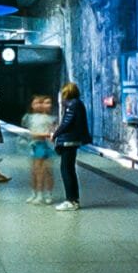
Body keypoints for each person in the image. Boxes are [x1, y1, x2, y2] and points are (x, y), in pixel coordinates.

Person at [51, 81, 90, 211]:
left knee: (66, 170)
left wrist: (55, 134)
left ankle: (71, 200)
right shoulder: (77, 104)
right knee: (69, 170)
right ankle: (73, 199)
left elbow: (66, 123)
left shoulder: (73, 105)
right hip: (72, 140)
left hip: (69, 141)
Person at [22, 94, 57, 204]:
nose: (40, 105)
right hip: (34, 145)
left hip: (45, 146)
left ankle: (46, 194)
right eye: (37, 103)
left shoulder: (51, 119)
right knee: (35, 171)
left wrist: (41, 135)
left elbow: (52, 133)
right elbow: (29, 132)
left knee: (45, 171)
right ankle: (36, 193)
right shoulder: (29, 118)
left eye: (42, 103)